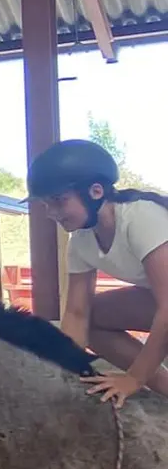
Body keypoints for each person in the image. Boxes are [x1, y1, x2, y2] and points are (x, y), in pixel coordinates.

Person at [29, 138, 168, 408]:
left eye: (59, 201)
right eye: (46, 204)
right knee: (94, 313)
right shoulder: (81, 241)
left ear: (95, 191)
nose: (51, 213)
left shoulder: (141, 219)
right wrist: (61, 369)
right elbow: (78, 313)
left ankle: (146, 378)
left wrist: (133, 379)